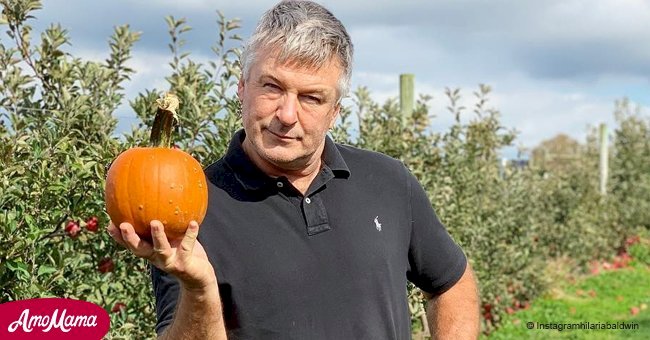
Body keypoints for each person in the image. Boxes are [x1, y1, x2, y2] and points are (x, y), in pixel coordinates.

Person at [108, 1, 480, 339]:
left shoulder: (388, 181)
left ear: (335, 110)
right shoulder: (190, 206)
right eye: (272, 87)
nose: (287, 115)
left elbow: (451, 281)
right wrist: (198, 288)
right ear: (242, 86)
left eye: (311, 98)